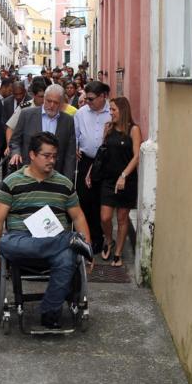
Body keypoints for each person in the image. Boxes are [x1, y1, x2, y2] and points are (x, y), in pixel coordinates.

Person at [0, 133, 92, 329]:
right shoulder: (12, 183)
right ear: (32, 155)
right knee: (5, 243)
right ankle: (68, 240)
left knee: (67, 258)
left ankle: (49, 312)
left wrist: (88, 250)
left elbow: (78, 217)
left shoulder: (64, 184)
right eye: (47, 155)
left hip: (55, 237)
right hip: (22, 241)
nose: (52, 160)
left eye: (54, 156)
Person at [87, 97, 141, 266]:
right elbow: (102, 152)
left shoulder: (133, 130)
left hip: (127, 180)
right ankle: (109, 240)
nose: (110, 113)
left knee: (123, 218)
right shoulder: (108, 128)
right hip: (109, 180)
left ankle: (118, 252)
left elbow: (137, 156)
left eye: (113, 110)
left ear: (123, 110)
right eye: (110, 110)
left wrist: (124, 176)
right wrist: (90, 170)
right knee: (105, 217)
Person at [74, 80, 112, 255]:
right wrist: (75, 147)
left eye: (91, 99)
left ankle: (100, 237)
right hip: (86, 161)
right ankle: (88, 237)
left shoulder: (111, 113)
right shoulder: (81, 113)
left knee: (100, 200)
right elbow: (75, 134)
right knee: (85, 199)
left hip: (105, 162)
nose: (87, 102)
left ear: (103, 96)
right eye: (86, 99)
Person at [9, 83, 77, 180]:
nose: (52, 105)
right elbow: (15, 140)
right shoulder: (26, 115)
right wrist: (16, 153)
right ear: (44, 99)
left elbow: (70, 154)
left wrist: (67, 180)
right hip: (29, 174)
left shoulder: (68, 121)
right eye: (49, 101)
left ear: (62, 104)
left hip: (55, 175)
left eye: (56, 102)